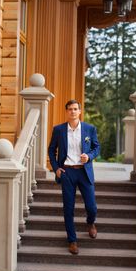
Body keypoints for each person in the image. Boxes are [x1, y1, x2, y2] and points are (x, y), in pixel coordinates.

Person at [48, 100, 100, 255]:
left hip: (84, 172)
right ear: (66, 112)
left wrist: (89, 156)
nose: (72, 111)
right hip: (67, 172)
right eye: (70, 109)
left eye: (75, 109)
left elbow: (97, 147)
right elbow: (51, 150)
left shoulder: (89, 129)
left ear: (80, 111)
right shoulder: (58, 130)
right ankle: (72, 240)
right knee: (68, 208)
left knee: (92, 207)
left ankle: (90, 223)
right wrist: (56, 169)